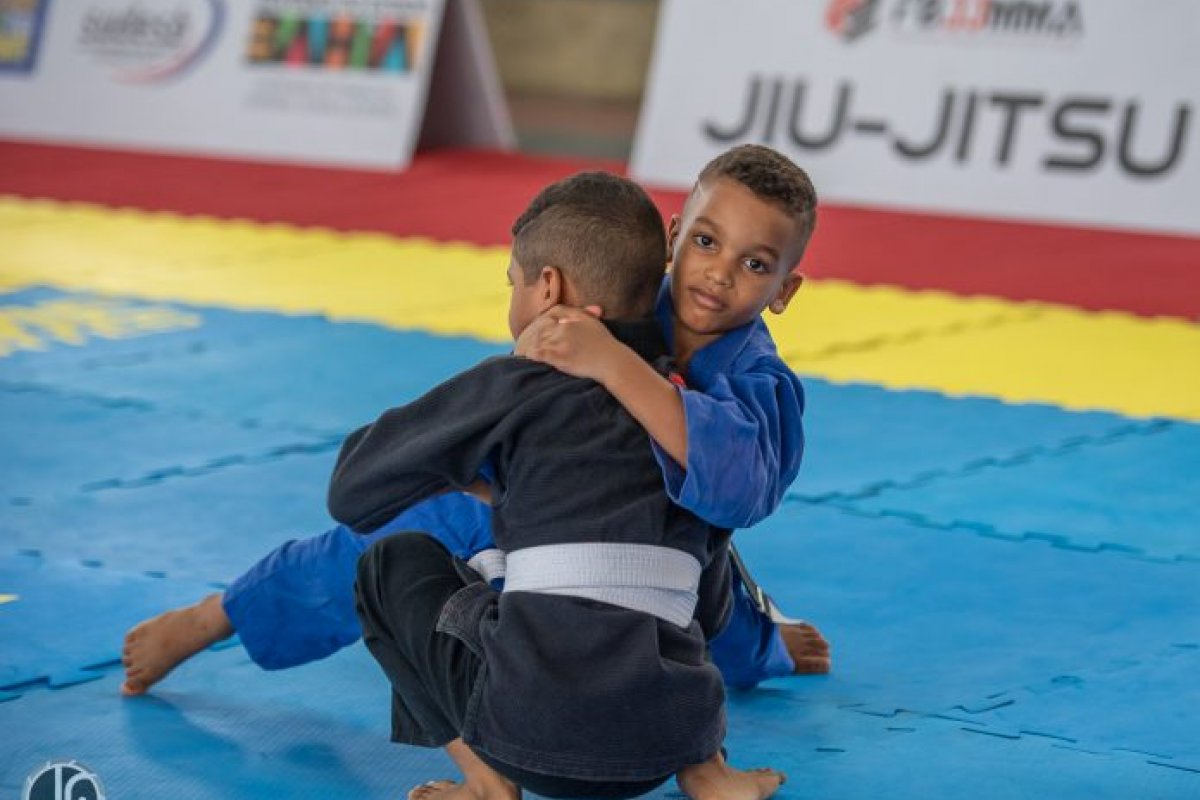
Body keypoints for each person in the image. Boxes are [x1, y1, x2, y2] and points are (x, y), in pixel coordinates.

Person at [120, 143, 829, 697]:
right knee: (374, 544)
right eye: (706, 243)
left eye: (754, 263)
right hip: (534, 511)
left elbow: (737, 490)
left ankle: (765, 644)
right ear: (675, 235)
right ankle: (221, 614)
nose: (718, 272)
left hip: (670, 549)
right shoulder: (624, 292)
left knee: (714, 618)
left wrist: (618, 368)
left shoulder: (755, 379)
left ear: (784, 290)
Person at [335, 169, 785, 800]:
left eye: (513, 284)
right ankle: (707, 771)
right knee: (686, 539)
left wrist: (461, 434)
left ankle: (489, 785)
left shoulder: (514, 383)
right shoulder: (693, 413)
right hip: (662, 745)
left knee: (391, 563)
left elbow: (352, 493)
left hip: (527, 739)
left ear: (548, 288)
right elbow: (708, 605)